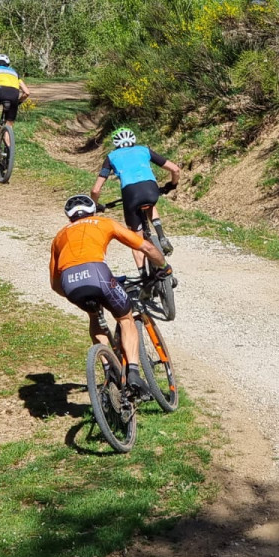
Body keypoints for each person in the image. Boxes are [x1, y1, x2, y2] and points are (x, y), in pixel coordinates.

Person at [50, 194, 169, 394]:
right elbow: (146, 246)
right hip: (99, 275)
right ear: (92, 211)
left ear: (69, 217)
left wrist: (79, 292)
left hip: (70, 283)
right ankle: (133, 373)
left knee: (94, 315)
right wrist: (164, 267)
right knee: (125, 318)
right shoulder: (103, 222)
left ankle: (108, 368)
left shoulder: (59, 236)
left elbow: (55, 284)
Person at [90, 127, 179, 267]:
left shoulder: (111, 157)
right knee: (150, 203)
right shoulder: (144, 150)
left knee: (137, 241)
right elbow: (175, 169)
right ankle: (161, 235)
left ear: (116, 143)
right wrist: (172, 185)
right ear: (133, 140)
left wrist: (95, 205)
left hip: (131, 194)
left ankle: (143, 276)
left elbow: (95, 190)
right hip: (150, 189)